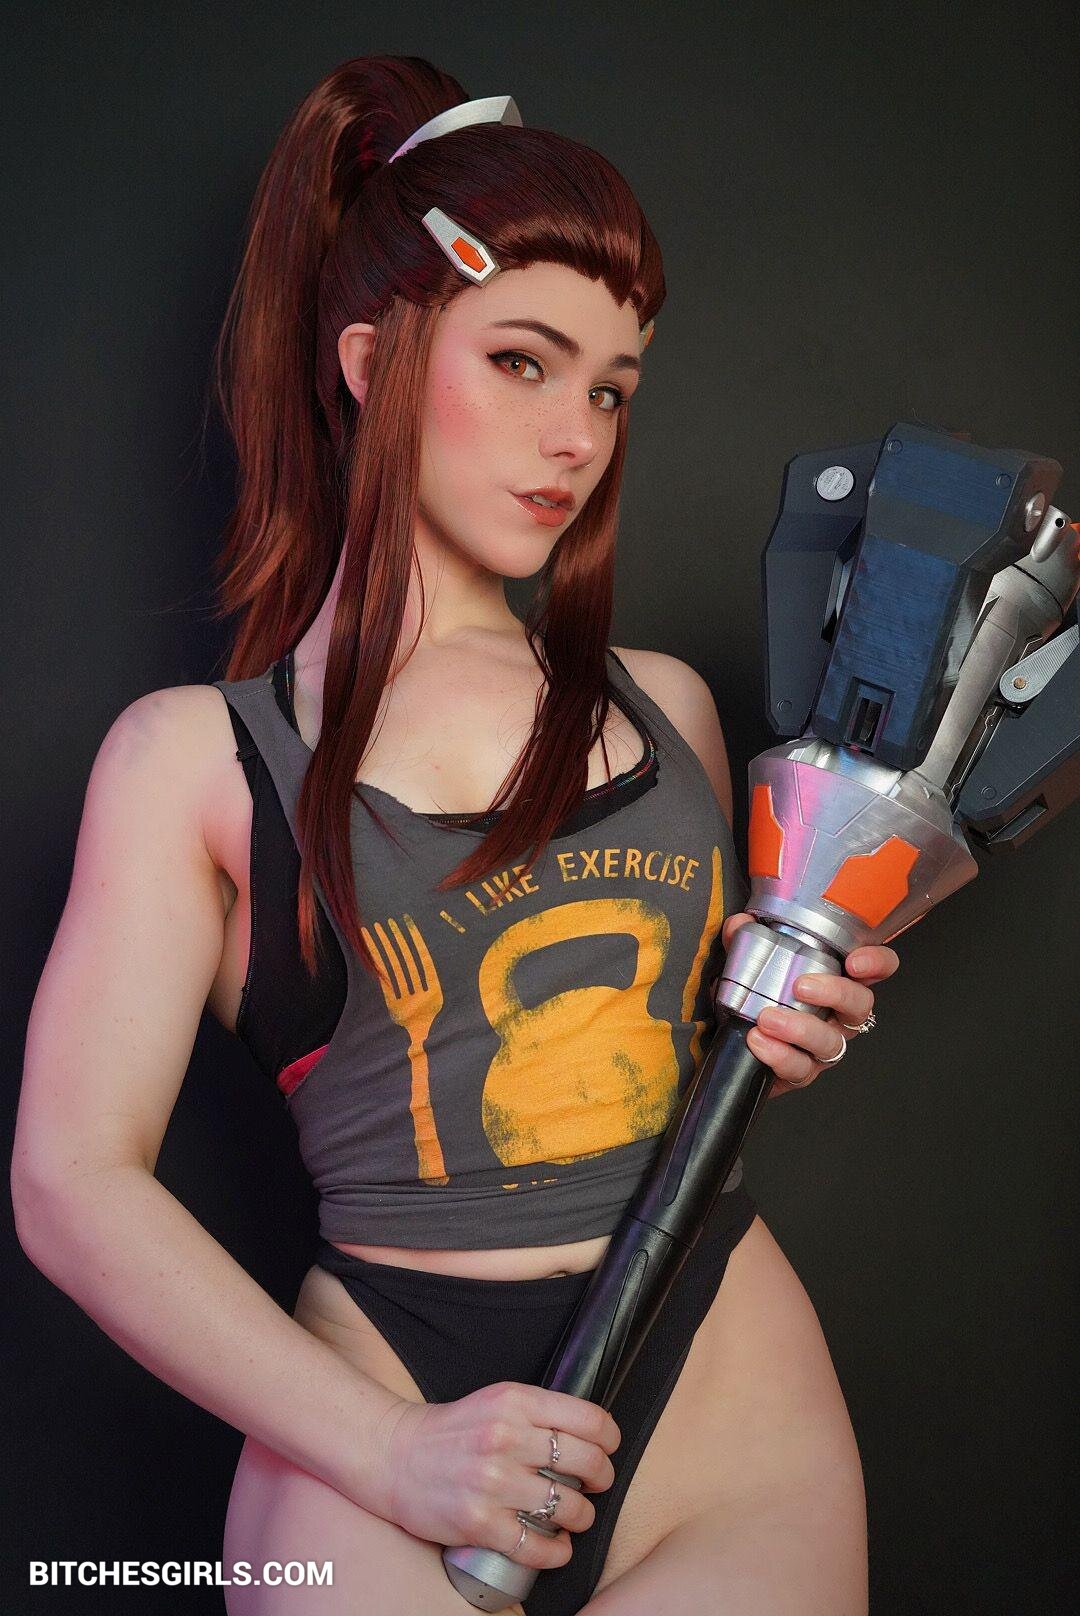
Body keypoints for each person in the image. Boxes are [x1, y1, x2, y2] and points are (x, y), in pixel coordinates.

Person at [12, 54, 898, 1616]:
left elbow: (686, 1052)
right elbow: (71, 1182)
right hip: (383, 1412)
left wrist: (791, 1015)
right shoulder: (197, 760)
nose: (578, 437)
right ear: (374, 359)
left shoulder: (668, 710)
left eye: (611, 387)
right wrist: (390, 1452)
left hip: (723, 1398)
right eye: (524, 362)